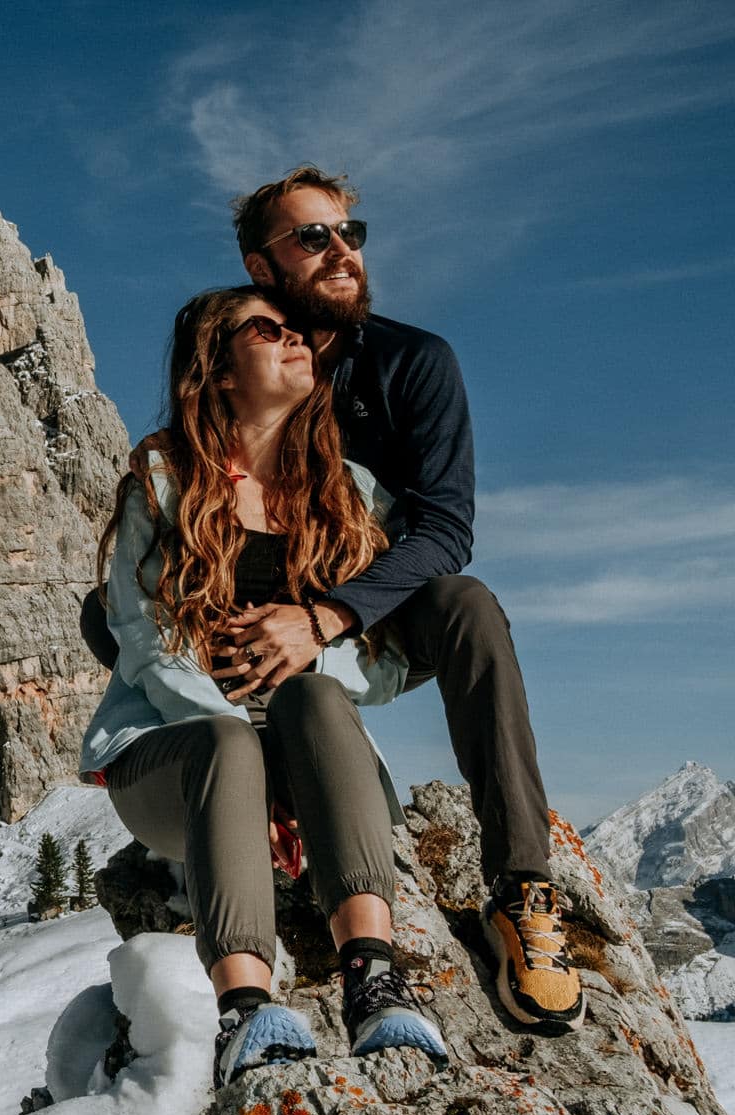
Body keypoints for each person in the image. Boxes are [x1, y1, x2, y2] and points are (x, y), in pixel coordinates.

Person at [81, 167, 583, 1037]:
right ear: (262, 264)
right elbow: (141, 614)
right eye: (313, 237)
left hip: (357, 618)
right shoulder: (170, 472)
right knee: (116, 618)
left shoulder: (402, 378)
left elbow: (439, 532)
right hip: (217, 672)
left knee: (464, 605)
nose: (342, 250)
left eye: (351, 232)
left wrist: (324, 622)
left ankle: (516, 892)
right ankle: (245, 944)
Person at [83, 285, 448, 1087]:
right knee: (226, 744)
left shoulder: (349, 492)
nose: (297, 341)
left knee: (313, 697)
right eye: (268, 329)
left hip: (311, 749)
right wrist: (249, 751)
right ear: (216, 369)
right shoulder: (162, 478)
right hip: (173, 757)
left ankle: (375, 982)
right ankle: (246, 1014)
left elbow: (383, 652)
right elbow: (138, 636)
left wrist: (311, 652)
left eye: (299, 331)